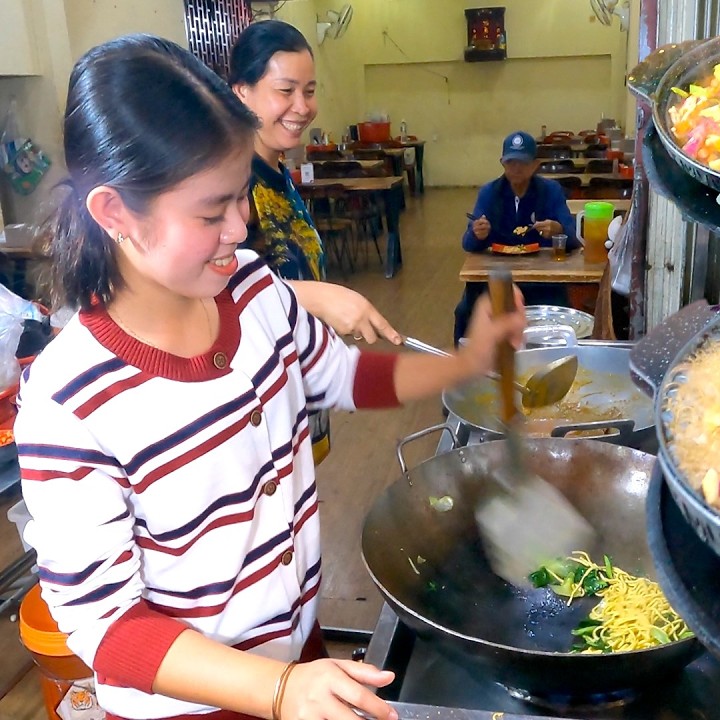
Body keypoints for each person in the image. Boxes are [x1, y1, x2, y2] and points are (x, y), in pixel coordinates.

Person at [17, 35, 524, 720]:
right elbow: (107, 628)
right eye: (210, 211)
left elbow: (342, 375)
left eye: (241, 198)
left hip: (297, 658)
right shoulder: (70, 399)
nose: (239, 226)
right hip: (196, 704)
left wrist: (463, 365)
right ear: (115, 214)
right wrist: (276, 692)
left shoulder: (253, 291)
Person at [230, 20, 397, 465]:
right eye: (285, 91)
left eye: (309, 90)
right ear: (240, 92)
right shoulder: (230, 185)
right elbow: (219, 293)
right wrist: (320, 297)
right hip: (254, 400)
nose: (302, 107)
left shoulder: (276, 170)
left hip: (295, 380)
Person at [454, 131, 579, 344]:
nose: (516, 168)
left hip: (542, 280)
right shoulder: (489, 192)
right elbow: (468, 244)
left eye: (523, 162)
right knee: (464, 312)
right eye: (510, 162)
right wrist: (477, 233)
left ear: (535, 164)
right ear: (502, 163)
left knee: (563, 312)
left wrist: (559, 230)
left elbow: (574, 239)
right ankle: (468, 367)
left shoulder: (551, 191)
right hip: (497, 279)